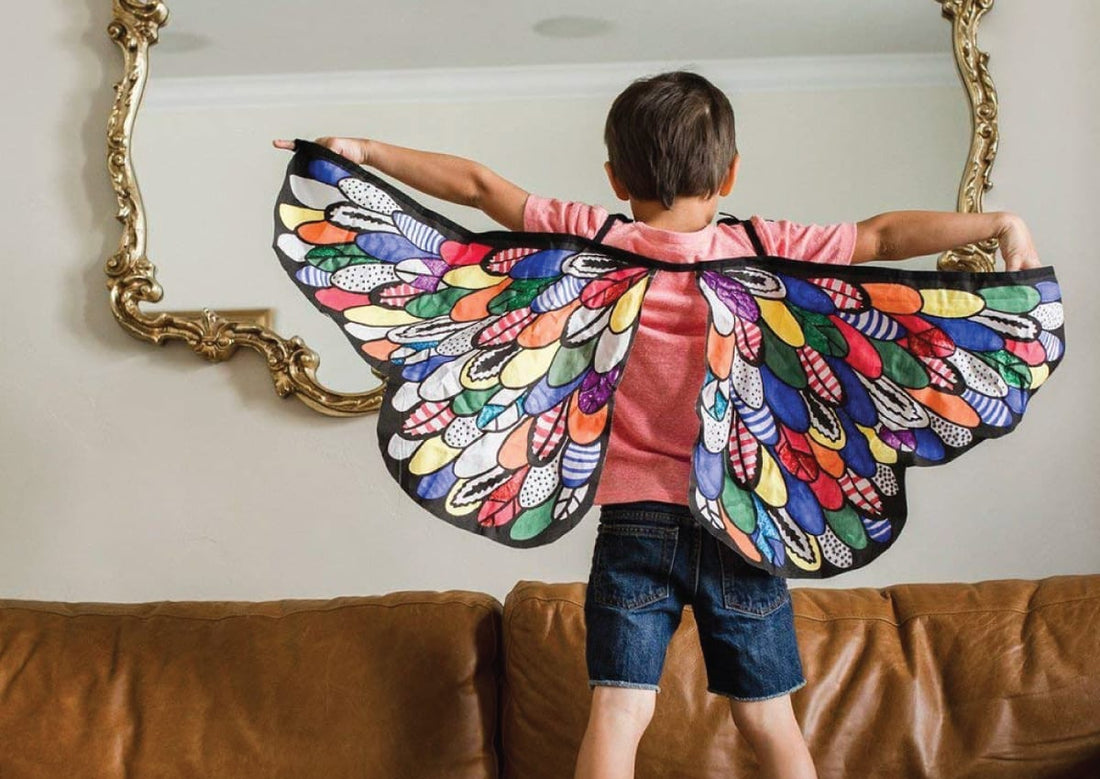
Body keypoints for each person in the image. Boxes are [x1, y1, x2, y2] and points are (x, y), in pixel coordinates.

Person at [274, 70, 1039, 779]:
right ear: (730, 172)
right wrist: (998, 223)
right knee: (767, 716)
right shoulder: (762, 249)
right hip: (744, 517)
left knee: (620, 709)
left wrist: (360, 151)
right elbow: (878, 238)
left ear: (615, 178)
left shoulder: (596, 242)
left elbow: (480, 189)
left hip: (635, 523)